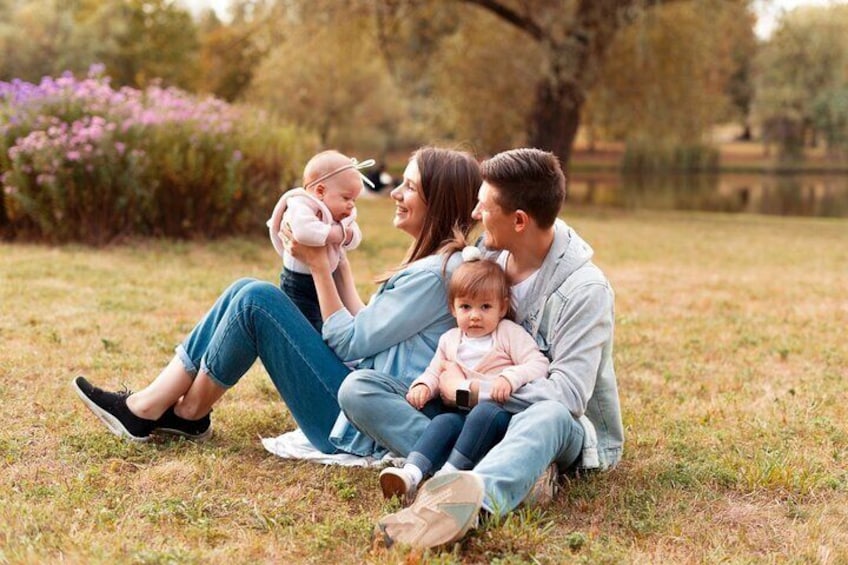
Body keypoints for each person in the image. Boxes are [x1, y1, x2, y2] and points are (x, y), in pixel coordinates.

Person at [71, 147, 481, 456]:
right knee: (244, 290)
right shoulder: (437, 265)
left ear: (438, 199)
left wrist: (320, 267)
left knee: (256, 299)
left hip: (359, 421)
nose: (396, 193)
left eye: (410, 187)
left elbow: (349, 341)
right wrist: (336, 263)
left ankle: (164, 412)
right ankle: (173, 412)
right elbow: (369, 323)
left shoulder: (435, 275)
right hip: (359, 389)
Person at [338, 148, 624, 549]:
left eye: (484, 207)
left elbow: (569, 395)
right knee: (360, 389)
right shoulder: (486, 258)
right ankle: (507, 468)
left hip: (548, 425)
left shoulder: (584, 291)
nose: (473, 214)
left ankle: (465, 503)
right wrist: (440, 382)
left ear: (519, 221)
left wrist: (475, 391)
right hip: (470, 418)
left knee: (548, 416)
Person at [379, 244, 549, 502]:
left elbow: (538, 364)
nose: (475, 316)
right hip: (462, 413)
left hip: (498, 416)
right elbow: (436, 370)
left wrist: (510, 377)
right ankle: (411, 472)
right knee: (442, 422)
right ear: (453, 308)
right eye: (466, 307)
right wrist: (424, 385)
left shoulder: (507, 333)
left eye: (485, 307)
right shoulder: (450, 339)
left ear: (502, 308)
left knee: (482, 412)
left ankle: (449, 474)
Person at [266, 150, 373, 331]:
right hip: (299, 283)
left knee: (329, 321)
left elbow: (355, 237)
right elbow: (304, 233)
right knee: (307, 326)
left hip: (327, 278)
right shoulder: (301, 204)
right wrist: (339, 234)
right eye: (346, 197)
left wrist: (346, 233)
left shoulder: (340, 213)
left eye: (354, 200)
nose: (351, 205)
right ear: (321, 191)